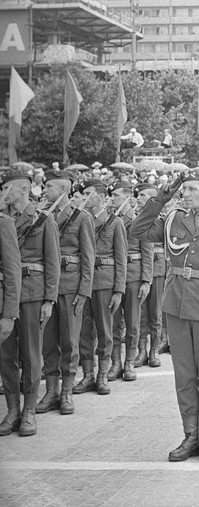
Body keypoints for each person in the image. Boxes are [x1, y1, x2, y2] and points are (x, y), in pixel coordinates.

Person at [131, 168, 199, 464]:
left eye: (194, 189)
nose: (187, 194)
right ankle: (190, 434)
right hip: (177, 305)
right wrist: (162, 197)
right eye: (185, 189)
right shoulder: (172, 220)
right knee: (184, 376)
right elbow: (137, 230)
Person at [37, 169, 94, 416]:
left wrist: (84, 292)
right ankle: (51, 390)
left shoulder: (81, 218)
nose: (44, 191)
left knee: (70, 341)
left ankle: (67, 391)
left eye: (48, 187)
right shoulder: (42, 216)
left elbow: (88, 257)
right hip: (48, 287)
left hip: (71, 287)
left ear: (62, 189)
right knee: (48, 341)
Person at [72, 180, 126, 394]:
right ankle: (87, 374)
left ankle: (102, 375)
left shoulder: (114, 223)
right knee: (84, 331)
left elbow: (121, 259)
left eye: (87, 193)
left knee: (105, 330)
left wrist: (119, 290)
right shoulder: (78, 221)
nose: (84, 197)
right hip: (82, 282)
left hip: (104, 282)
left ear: (101, 196)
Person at [112, 180, 153, 381]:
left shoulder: (139, 219)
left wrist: (146, 280)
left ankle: (129, 362)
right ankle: (115, 362)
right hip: (114, 275)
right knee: (112, 322)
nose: (112, 200)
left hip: (134, 275)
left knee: (133, 321)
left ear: (127, 197)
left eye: (116, 196)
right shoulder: (110, 219)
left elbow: (147, 250)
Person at [0, 173, 26, 435]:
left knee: (7, 359)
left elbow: (12, 270)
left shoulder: (4, 223)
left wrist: (9, 313)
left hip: (1, 304)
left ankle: (15, 410)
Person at [133, 182, 166, 368]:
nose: (139, 198)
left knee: (155, 312)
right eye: (139, 195)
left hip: (159, 269)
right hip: (140, 270)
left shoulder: (163, 219)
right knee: (141, 313)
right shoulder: (136, 218)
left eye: (144, 195)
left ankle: (154, 350)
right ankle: (141, 351)